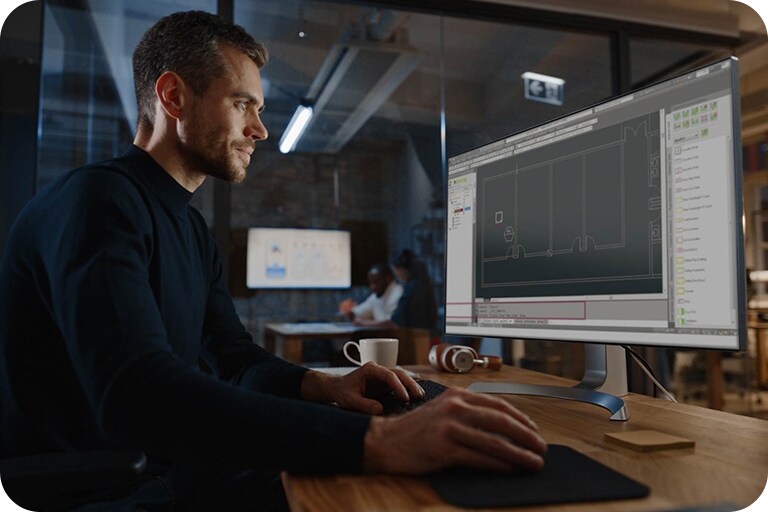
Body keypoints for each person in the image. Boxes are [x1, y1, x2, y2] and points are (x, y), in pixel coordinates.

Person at [0, 11, 546, 510]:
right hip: (113, 489)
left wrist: (324, 388)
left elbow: (235, 360)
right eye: (243, 105)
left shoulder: (189, 227)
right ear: (173, 97)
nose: (259, 130)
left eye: (258, 110)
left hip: (171, 470)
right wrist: (376, 440)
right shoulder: (98, 203)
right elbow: (137, 396)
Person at [339, 263, 403, 326]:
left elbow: (392, 324)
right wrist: (348, 310)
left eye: (376, 282)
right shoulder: (375, 296)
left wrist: (363, 323)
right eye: (371, 283)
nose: (372, 287)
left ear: (388, 279)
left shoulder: (398, 293)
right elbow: (357, 314)